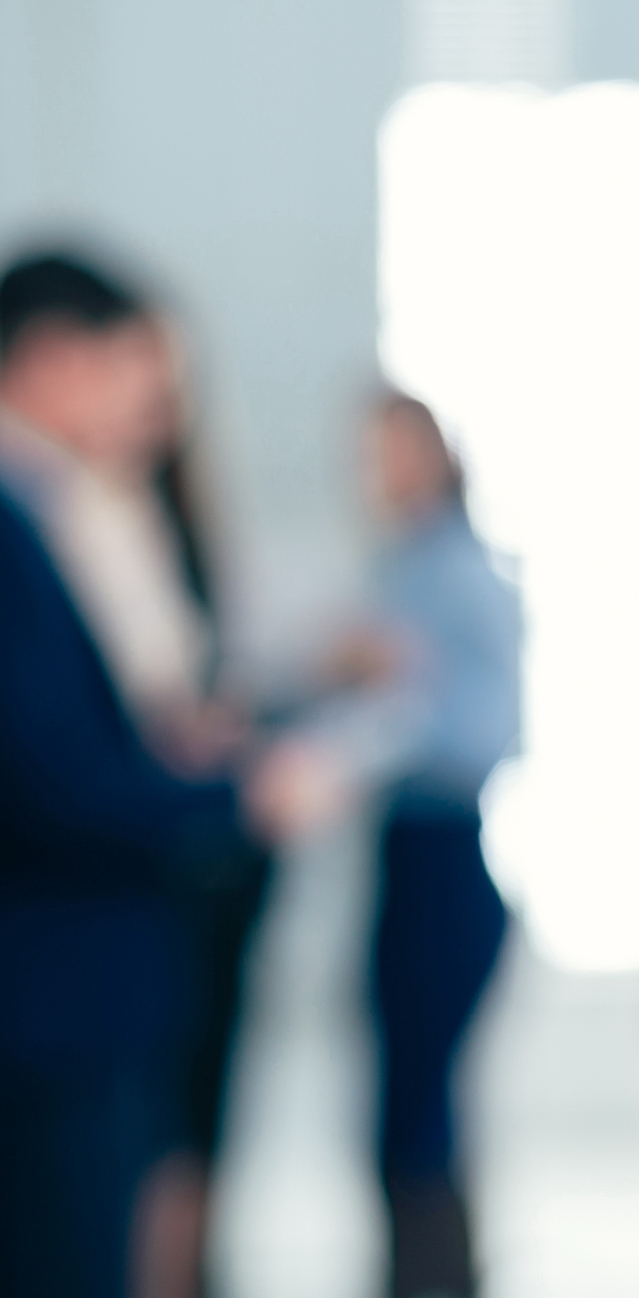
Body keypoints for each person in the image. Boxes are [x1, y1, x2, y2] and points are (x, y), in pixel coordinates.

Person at [0, 249, 336, 1297]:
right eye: (124, 368)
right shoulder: (22, 525)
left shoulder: (70, 511)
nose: (146, 402)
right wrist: (233, 793)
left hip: (92, 969)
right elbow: (53, 775)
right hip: (56, 980)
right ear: (51, 360)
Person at [304, 391, 524, 1298]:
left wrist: (388, 704)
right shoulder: (397, 567)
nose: (377, 474)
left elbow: (493, 729)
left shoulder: (459, 571)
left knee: (422, 1111)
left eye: (392, 452)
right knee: (404, 1109)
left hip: (448, 858)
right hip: (400, 857)